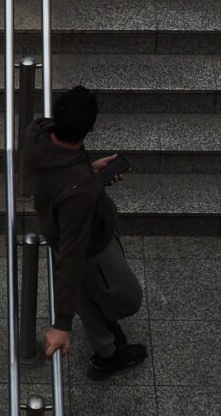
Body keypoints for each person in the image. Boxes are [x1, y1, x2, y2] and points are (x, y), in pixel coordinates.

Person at [24, 85, 148, 380]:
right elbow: (73, 255)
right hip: (91, 245)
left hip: (57, 225)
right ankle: (107, 349)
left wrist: (90, 173)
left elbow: (59, 180)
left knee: (83, 293)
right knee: (126, 297)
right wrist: (62, 325)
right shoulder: (78, 192)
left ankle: (106, 349)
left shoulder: (36, 135)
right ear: (92, 126)